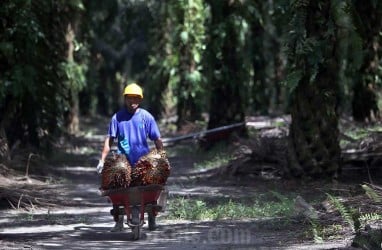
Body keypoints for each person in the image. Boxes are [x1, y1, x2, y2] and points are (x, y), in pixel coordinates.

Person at [96, 83, 164, 232]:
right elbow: (109, 140)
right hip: (123, 161)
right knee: (114, 185)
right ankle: (119, 220)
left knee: (152, 186)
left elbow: (157, 139)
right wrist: (102, 160)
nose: (132, 101)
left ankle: (152, 216)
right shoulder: (117, 118)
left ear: (140, 100)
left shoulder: (146, 117)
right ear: (125, 99)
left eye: (136, 98)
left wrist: (161, 158)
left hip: (143, 162)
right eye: (129, 98)